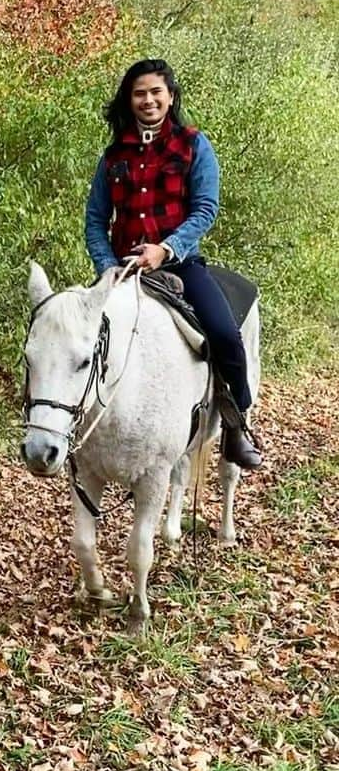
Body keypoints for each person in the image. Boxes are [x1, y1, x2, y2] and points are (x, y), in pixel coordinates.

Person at [84, 58, 262, 469]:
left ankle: (236, 428)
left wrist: (165, 249)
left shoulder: (194, 145)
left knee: (224, 334)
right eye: (139, 93)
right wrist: (107, 264)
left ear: (170, 96)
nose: (147, 100)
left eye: (155, 92)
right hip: (122, 270)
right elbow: (95, 218)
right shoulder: (113, 156)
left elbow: (205, 209)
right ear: (129, 101)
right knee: (76, 338)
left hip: (179, 266)